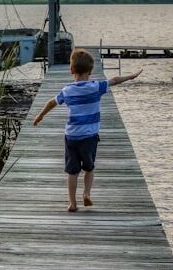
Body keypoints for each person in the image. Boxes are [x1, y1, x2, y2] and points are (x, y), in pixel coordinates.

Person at [31, 49, 141, 212]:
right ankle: (87, 194)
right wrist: (132, 76)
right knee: (89, 168)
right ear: (90, 71)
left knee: (72, 171)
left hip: (72, 136)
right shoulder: (96, 87)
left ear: (71, 70)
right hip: (89, 137)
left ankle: (72, 203)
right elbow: (115, 80)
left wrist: (40, 116)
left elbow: (51, 102)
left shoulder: (67, 90)